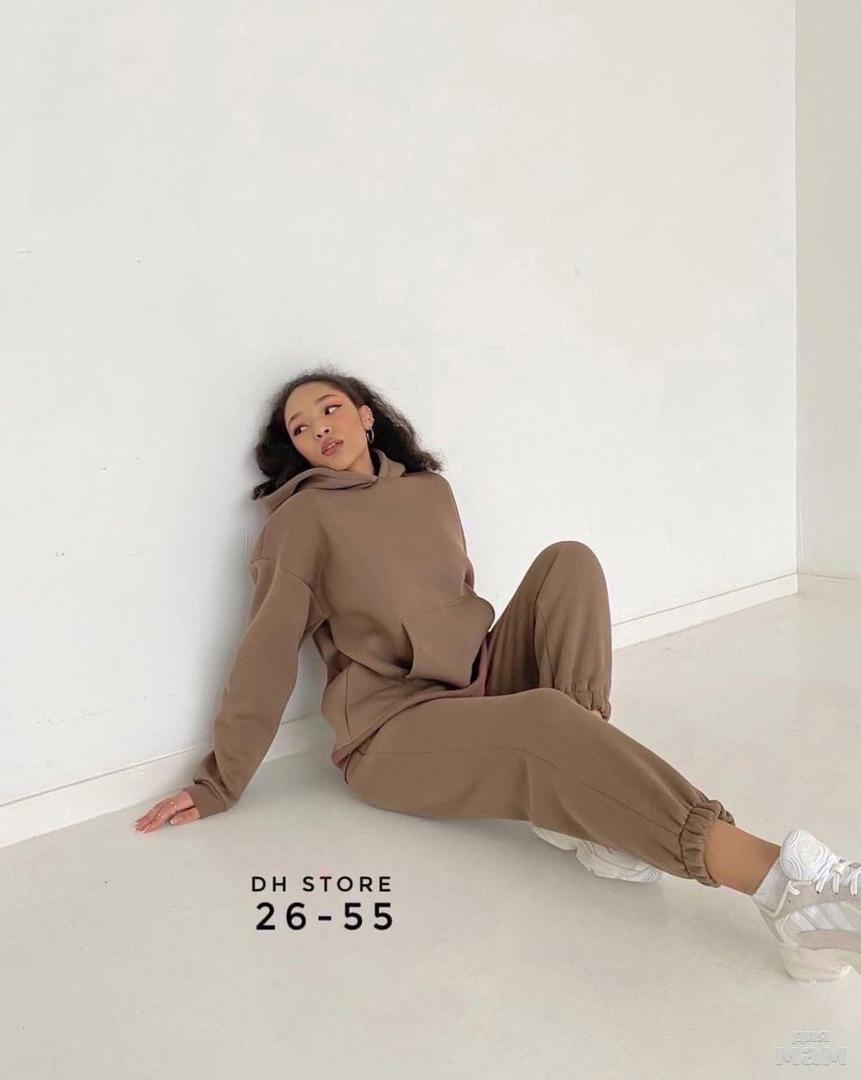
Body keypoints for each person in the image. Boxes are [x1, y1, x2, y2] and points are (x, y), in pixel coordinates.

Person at [133, 367, 861, 983]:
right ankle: (785, 891)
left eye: (330, 409)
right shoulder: (299, 523)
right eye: (300, 427)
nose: (320, 428)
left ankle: (592, 814)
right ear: (294, 450)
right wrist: (218, 783)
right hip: (392, 734)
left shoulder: (429, 491)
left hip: (477, 682)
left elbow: (450, 606)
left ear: (365, 415)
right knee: (542, 722)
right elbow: (263, 655)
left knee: (568, 562)